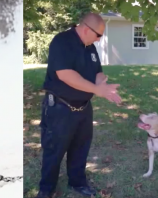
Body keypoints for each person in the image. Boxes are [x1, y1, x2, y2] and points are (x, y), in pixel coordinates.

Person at [35, 12, 122, 198]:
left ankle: (78, 182)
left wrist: (102, 85)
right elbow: (65, 74)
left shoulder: (90, 47)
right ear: (85, 29)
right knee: (54, 150)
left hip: (83, 107)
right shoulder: (62, 42)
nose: (100, 40)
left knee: (81, 147)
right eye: (98, 35)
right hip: (60, 107)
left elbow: (98, 71)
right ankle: (46, 188)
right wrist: (97, 90)